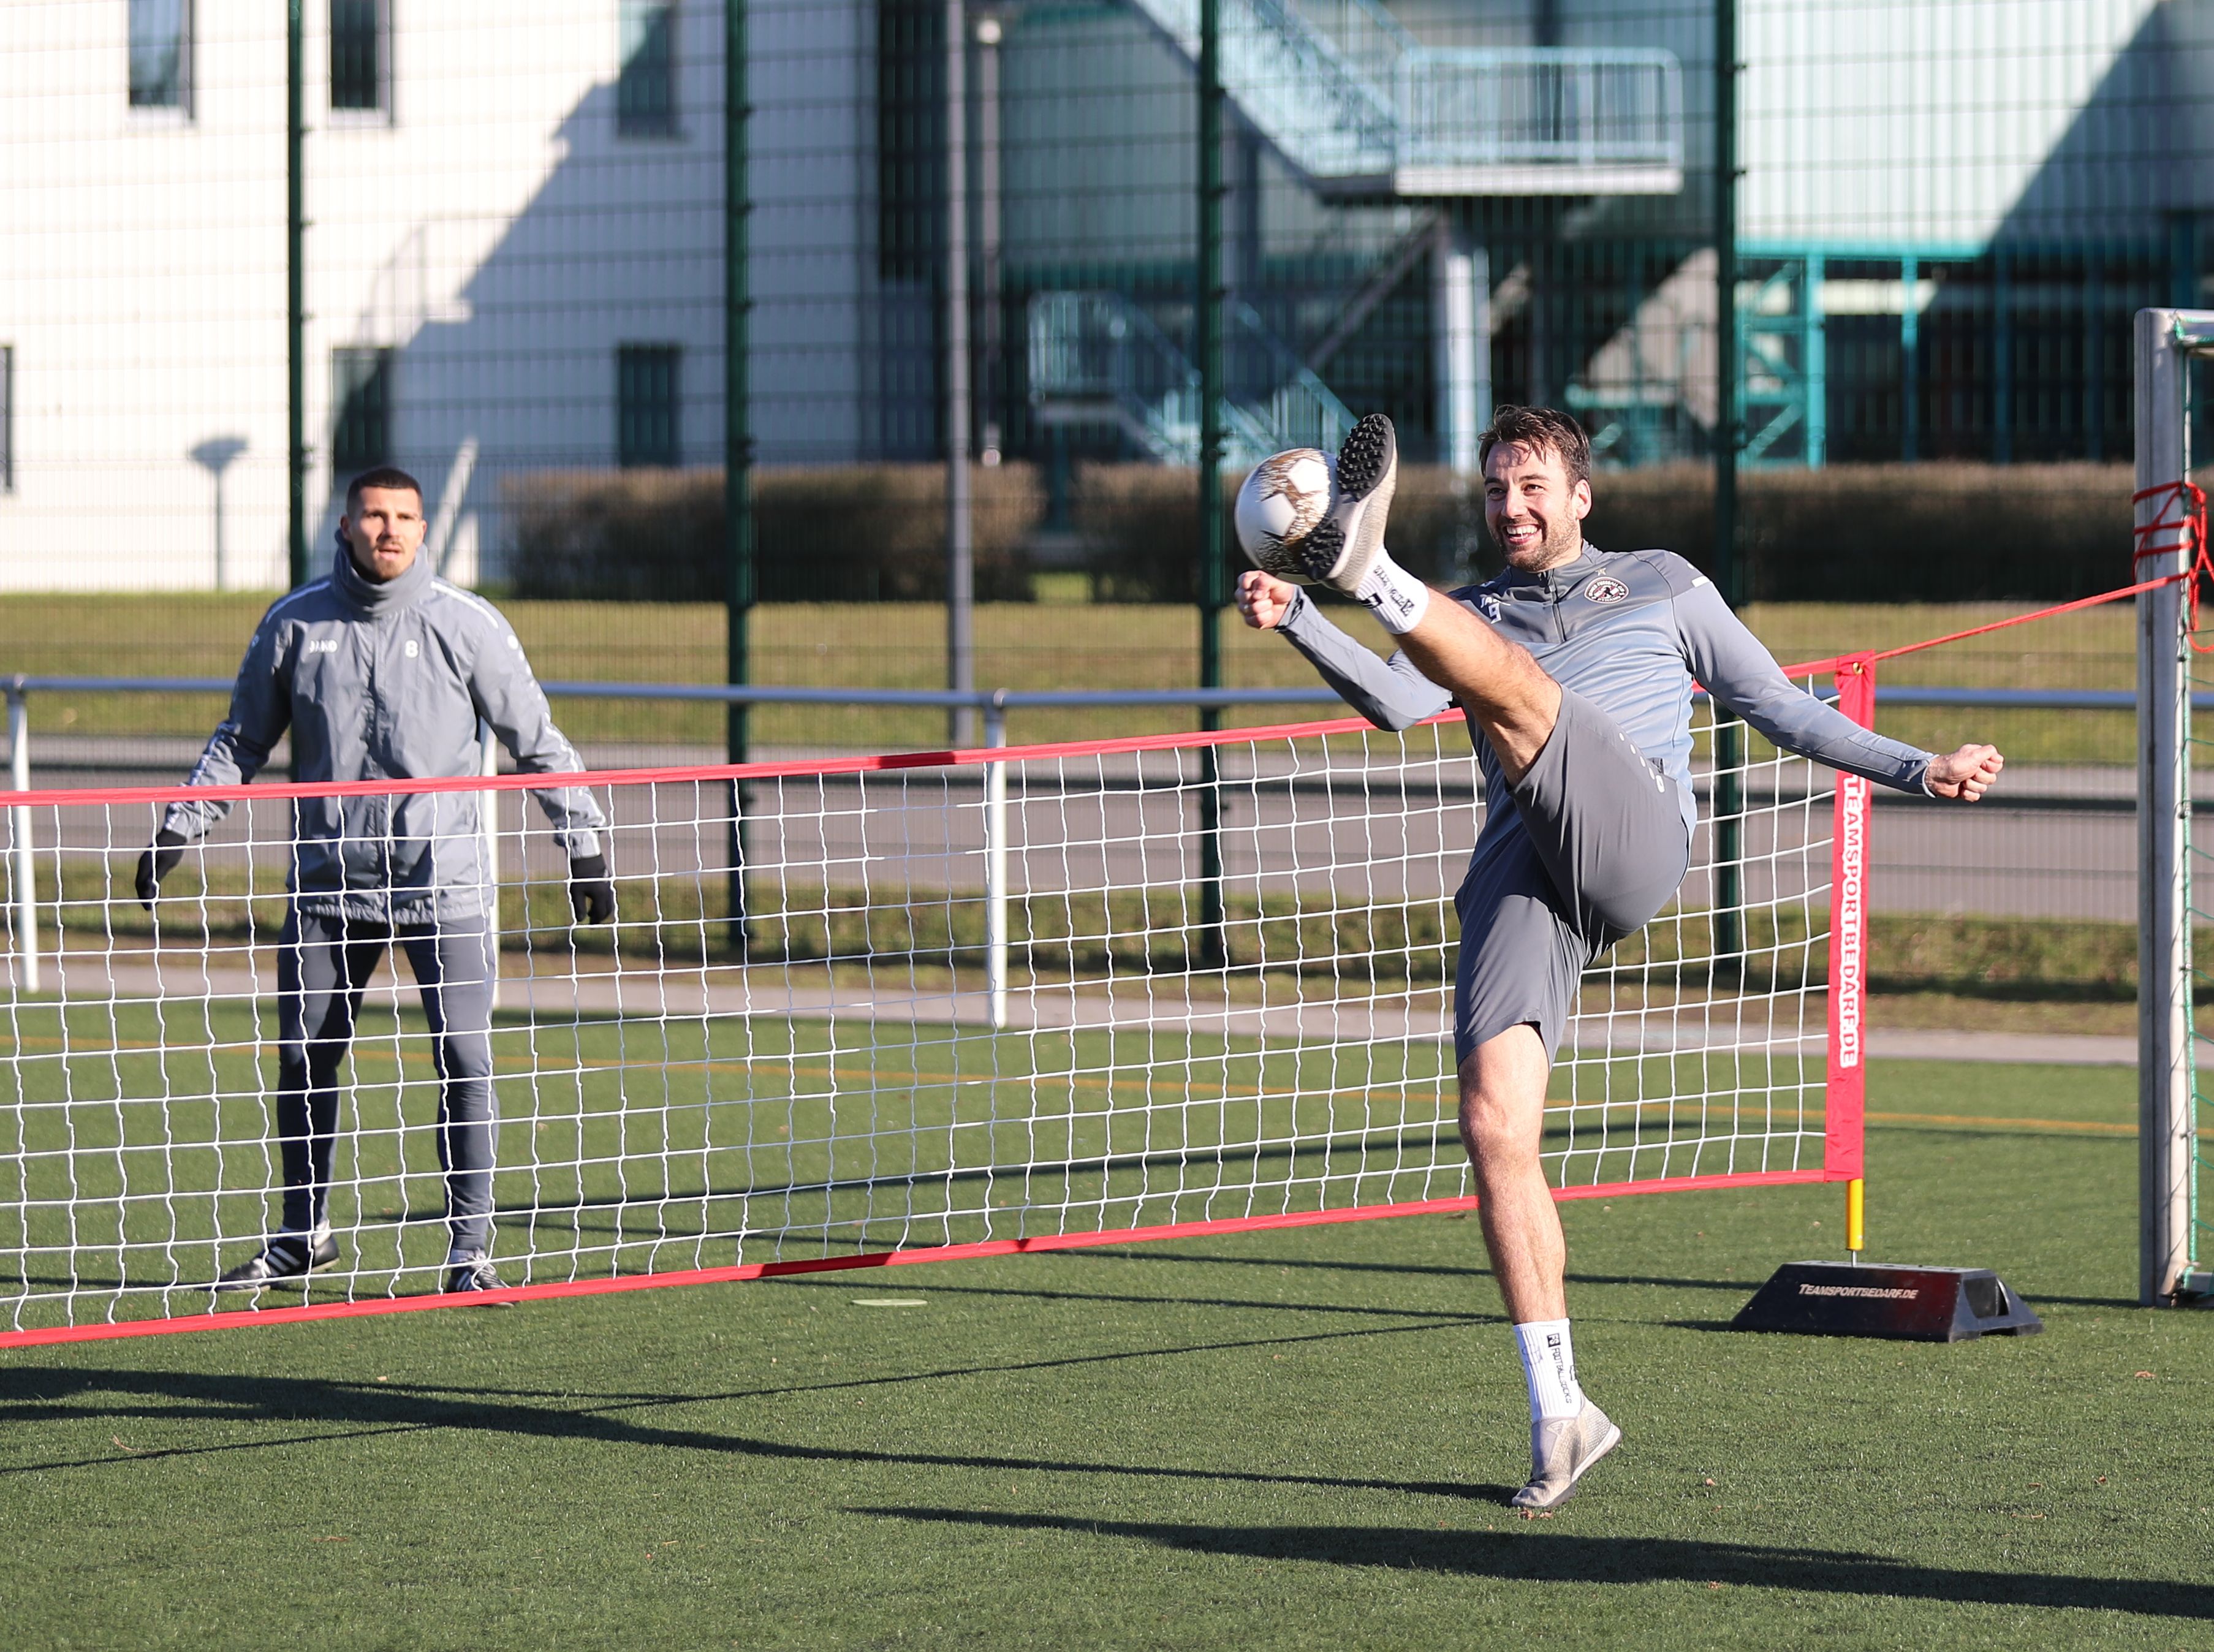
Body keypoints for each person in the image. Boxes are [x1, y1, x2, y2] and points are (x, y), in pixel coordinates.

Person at [1237, 408, 2003, 1510]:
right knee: (1494, 1125)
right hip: (1523, 861)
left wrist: (1917, 766)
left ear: (1579, 497)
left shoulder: (1660, 582)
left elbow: (1778, 708)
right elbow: (1402, 704)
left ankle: (1371, 568)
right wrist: (1303, 616)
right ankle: (1561, 1412)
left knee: (1520, 691)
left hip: (1633, 830)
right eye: (1495, 489)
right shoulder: (1476, 612)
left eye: (1531, 487)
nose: (1511, 506)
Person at [133, 466, 616, 1297]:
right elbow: (242, 741)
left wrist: (585, 844)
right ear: (345, 525)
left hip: (444, 886)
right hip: (328, 887)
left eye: (404, 517)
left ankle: (470, 1253)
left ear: (423, 529)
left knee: (464, 1058)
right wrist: (181, 825)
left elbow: (536, 739)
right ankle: (302, 1235)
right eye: (373, 515)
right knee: (304, 1058)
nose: (389, 529)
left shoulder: (467, 623)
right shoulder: (294, 623)